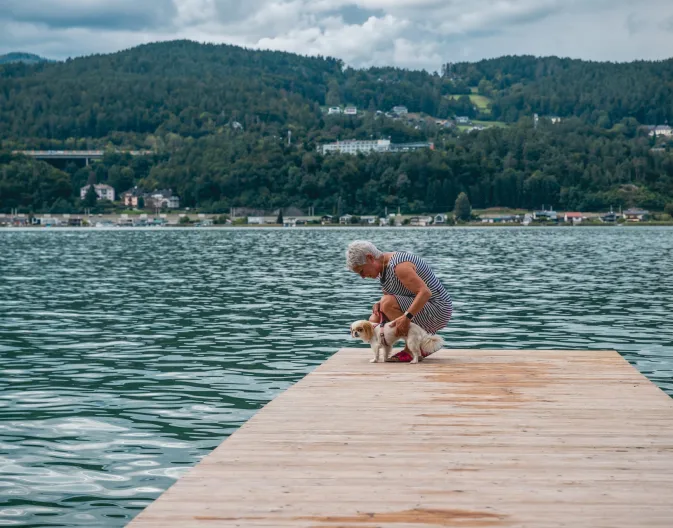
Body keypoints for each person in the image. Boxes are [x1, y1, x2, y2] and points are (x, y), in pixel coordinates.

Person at [346, 240, 453, 362]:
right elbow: (392, 295)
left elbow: (425, 293)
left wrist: (406, 317)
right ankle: (413, 345)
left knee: (386, 303)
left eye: (362, 271)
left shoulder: (399, 265)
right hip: (424, 307)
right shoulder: (383, 270)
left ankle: (413, 350)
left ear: (370, 258)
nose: (363, 277)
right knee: (374, 319)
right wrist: (379, 304)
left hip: (438, 309)